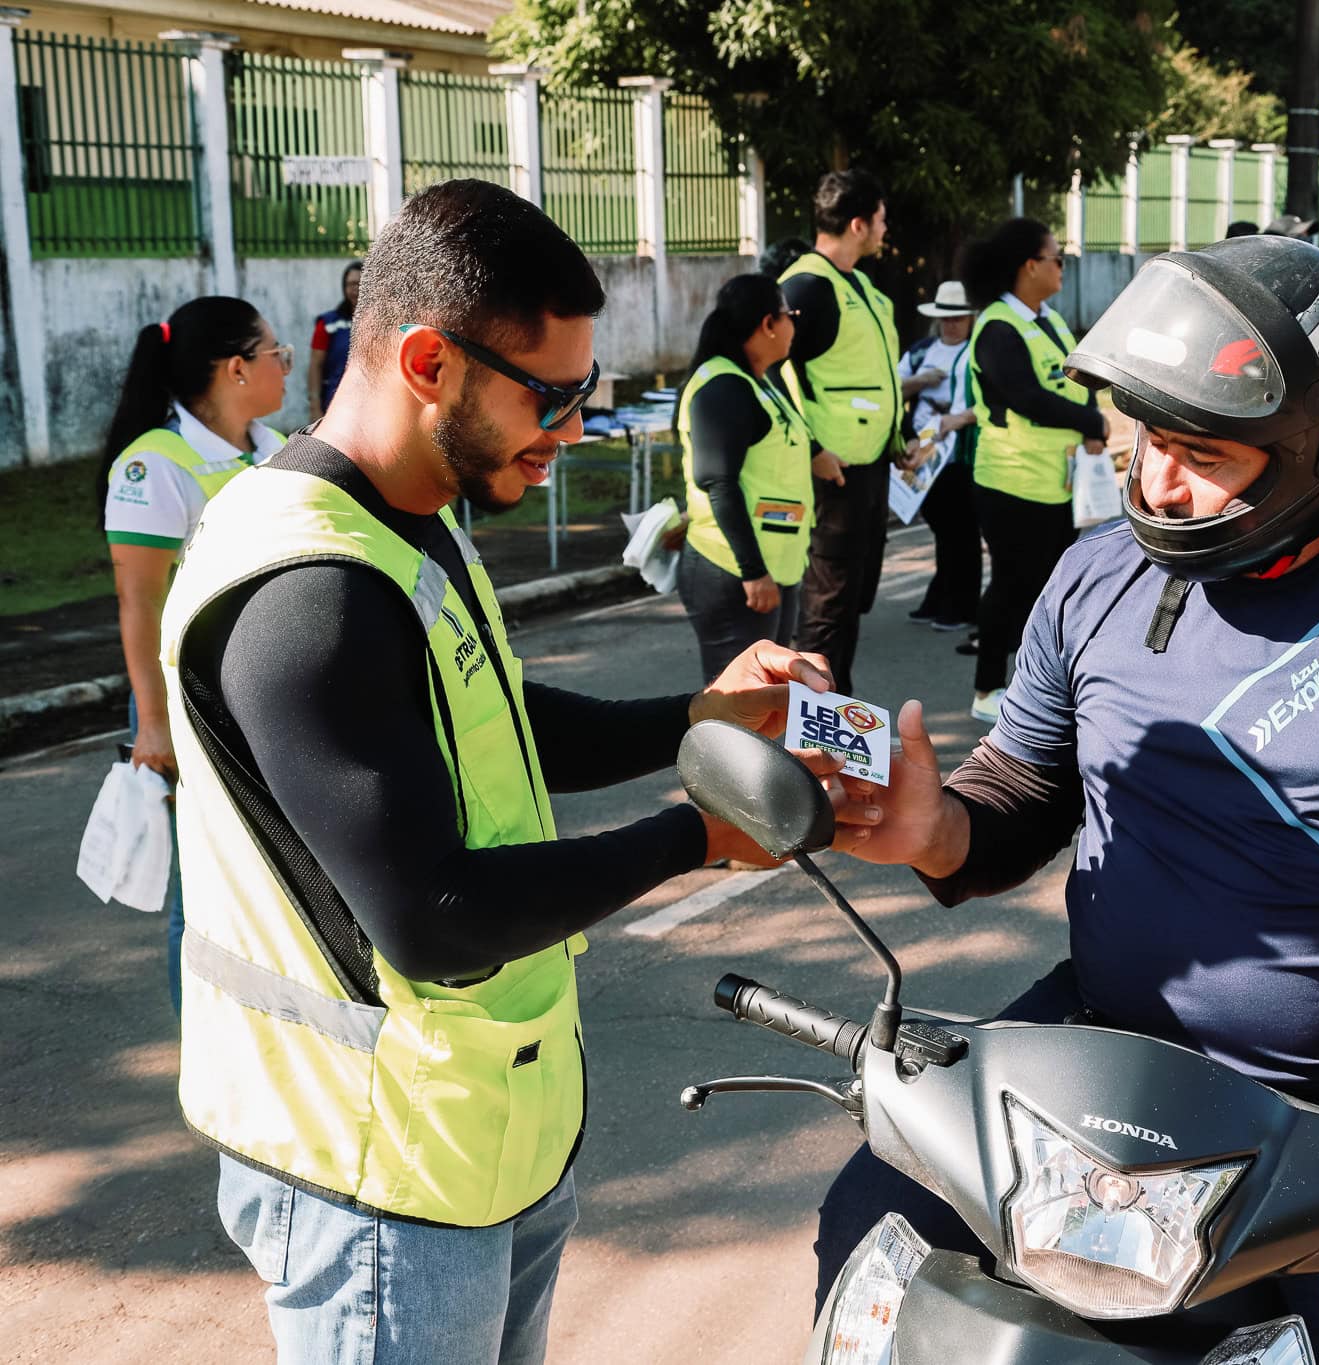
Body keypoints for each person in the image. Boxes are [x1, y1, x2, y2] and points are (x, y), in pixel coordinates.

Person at [822, 235, 1319, 1363]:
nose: (1155, 481)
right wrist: (930, 828)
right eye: (1144, 440)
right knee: (871, 1230)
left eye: (1200, 453)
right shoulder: (1094, 575)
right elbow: (1021, 791)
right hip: (1106, 1062)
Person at [161, 180, 858, 1363]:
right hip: (373, 1173)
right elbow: (432, 918)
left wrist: (695, 712)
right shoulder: (308, 593)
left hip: (482, 1134)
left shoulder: (405, 518)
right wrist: (702, 838)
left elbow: (491, 717)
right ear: (428, 360)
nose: (575, 428)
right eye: (550, 395)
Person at [100, 296, 290, 1016]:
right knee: (202, 895)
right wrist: (153, 723)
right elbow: (138, 604)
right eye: (276, 353)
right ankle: (210, 1070)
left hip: (268, 698)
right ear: (236, 368)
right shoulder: (155, 465)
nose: (284, 367)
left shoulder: (272, 449)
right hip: (193, 707)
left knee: (272, 884)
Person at [962, 217, 1105, 724]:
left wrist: (1090, 417)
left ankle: (1035, 686)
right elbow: (1028, 398)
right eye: (1056, 258)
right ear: (1030, 266)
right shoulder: (998, 327)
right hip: (1011, 482)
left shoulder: (1047, 318)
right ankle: (987, 689)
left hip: (1053, 481)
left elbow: (1074, 376)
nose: (1063, 266)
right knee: (1010, 586)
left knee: (1046, 588)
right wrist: (1093, 420)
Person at [779, 170, 902, 691]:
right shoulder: (807, 286)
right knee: (826, 609)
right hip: (835, 470)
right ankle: (821, 737)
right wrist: (811, 449)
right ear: (858, 224)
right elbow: (768, 371)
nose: (884, 228)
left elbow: (877, 376)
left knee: (852, 600)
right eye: (879, 219)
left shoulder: (860, 286)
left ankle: (838, 724)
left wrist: (903, 437)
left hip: (869, 463)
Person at [669, 273, 812, 684]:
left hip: (772, 565)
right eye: (790, 316)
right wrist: (753, 572)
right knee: (736, 712)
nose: (793, 326)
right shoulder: (724, 386)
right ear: (769, 323)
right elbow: (719, 482)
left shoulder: (758, 379)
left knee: (770, 701)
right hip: (732, 570)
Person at [899, 280, 980, 632]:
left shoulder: (979, 353)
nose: (952, 324)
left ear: (969, 318)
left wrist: (957, 416)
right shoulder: (921, 351)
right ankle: (942, 597)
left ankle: (961, 605)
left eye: (959, 318)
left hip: (958, 453)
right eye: (946, 319)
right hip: (923, 446)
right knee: (943, 529)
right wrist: (923, 381)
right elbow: (894, 385)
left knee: (960, 530)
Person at [308, 259, 363, 420]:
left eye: (360, 283)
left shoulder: (382, 321)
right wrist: (315, 406)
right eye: (350, 284)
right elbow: (315, 365)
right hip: (334, 405)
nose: (355, 289)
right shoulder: (328, 323)